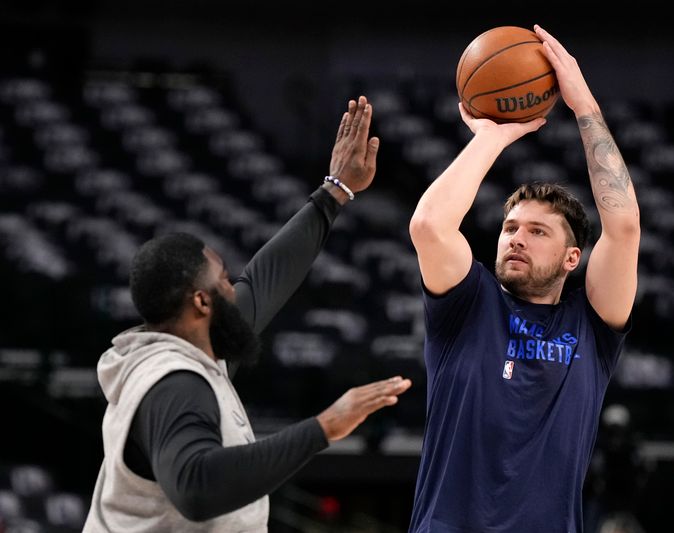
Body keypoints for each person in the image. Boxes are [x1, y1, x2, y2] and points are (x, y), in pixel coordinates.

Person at [83, 96, 412, 532]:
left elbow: (263, 280)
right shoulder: (174, 383)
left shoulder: (196, 349)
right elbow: (196, 488)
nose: (233, 286)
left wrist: (336, 191)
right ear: (200, 302)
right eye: (223, 280)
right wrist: (325, 427)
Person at [407, 25, 640, 532]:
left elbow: (622, 227)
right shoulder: (467, 304)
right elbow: (428, 226)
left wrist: (585, 109)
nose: (516, 238)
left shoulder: (592, 325)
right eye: (510, 227)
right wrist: (495, 135)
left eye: (537, 231)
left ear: (572, 258)